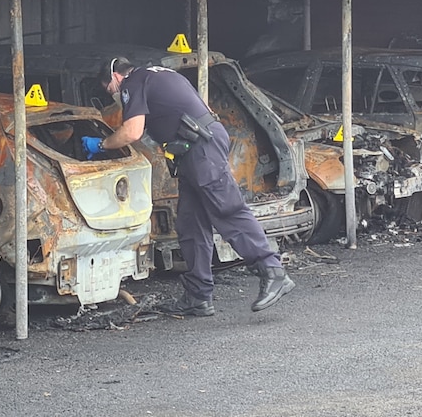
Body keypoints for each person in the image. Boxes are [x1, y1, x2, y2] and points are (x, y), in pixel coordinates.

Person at [81, 57, 294, 317]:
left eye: (109, 90)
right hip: (195, 148)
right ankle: (198, 296)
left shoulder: (133, 83)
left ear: (115, 76)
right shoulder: (160, 75)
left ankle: (272, 271)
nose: (114, 96)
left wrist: (100, 145)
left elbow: (132, 132)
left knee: (227, 209)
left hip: (200, 148)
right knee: (191, 223)